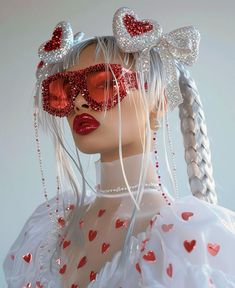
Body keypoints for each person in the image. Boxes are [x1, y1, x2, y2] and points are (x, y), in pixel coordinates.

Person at [3, 6, 235, 288]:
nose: (78, 102)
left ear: (158, 101)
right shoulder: (45, 229)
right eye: (65, 90)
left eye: (103, 84)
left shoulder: (191, 239)